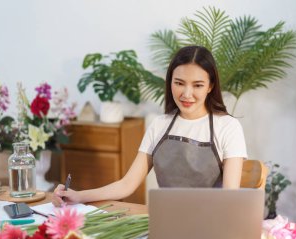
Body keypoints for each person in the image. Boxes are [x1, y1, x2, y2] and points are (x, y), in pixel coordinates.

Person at [52, 45, 247, 207]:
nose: (187, 94)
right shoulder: (159, 125)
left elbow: (229, 200)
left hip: (212, 225)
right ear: (170, 82)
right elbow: (127, 184)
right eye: (179, 83)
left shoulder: (228, 127)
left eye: (197, 85)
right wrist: (78, 196)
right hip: (166, 222)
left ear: (210, 86)